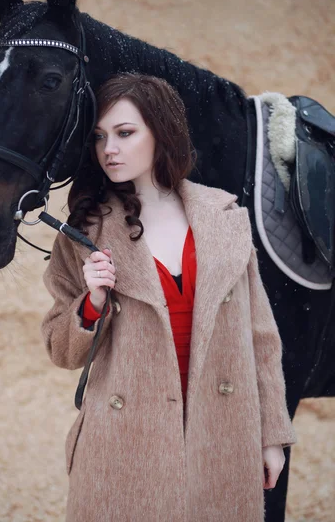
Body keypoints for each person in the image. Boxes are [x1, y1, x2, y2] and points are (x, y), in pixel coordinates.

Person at [41, 73, 296, 522]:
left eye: (124, 133)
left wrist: (271, 435)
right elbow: (61, 350)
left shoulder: (226, 216)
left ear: (162, 133)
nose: (109, 150)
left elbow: (261, 337)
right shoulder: (84, 233)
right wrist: (93, 301)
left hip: (222, 435)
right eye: (100, 137)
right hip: (124, 444)